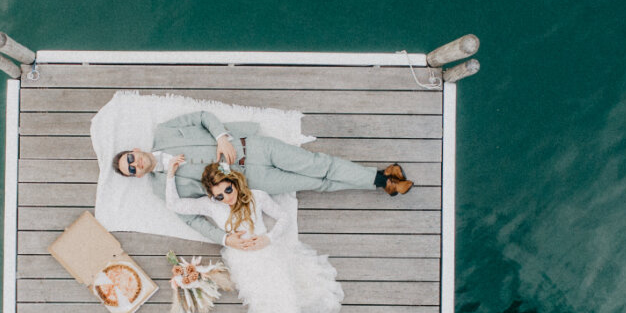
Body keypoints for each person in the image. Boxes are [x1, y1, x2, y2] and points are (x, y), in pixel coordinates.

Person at [163, 157, 343, 313]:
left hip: (269, 255)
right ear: (212, 197)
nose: (226, 198)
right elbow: (174, 204)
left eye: (228, 190)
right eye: (219, 196)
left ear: (234, 182)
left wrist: (268, 238)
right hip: (245, 266)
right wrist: (170, 174)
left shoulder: (257, 196)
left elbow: (283, 217)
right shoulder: (211, 206)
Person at [114, 109, 412, 246]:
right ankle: (383, 179)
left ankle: (382, 180)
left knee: (318, 164)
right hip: (253, 182)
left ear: (135, 150)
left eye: (130, 159)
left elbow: (203, 116)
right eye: (132, 170)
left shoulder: (164, 131)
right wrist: (224, 239)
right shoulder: (162, 188)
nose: (135, 164)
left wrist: (220, 137)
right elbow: (191, 219)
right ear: (137, 176)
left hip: (253, 147)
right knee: (316, 182)